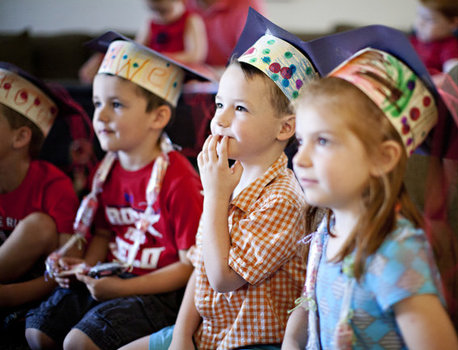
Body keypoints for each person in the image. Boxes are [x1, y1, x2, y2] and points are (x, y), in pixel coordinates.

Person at [121, 10, 318, 350]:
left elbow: (222, 279)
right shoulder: (228, 178)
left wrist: (214, 196)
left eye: (239, 109)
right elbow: (200, 266)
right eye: (219, 103)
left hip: (252, 342)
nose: (220, 119)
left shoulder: (283, 199)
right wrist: (181, 336)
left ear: (285, 127)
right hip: (208, 334)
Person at [25, 33, 205, 349]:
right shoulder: (106, 170)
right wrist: (88, 269)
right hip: (112, 279)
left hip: (158, 293)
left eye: (116, 105)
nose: (101, 116)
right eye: (97, 103)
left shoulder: (180, 181)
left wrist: (119, 290)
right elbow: (105, 235)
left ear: (159, 116)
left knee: (78, 343)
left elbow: (190, 265)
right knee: (38, 331)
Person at [282, 47, 458, 349]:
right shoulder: (327, 228)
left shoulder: (394, 252)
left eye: (323, 140)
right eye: (301, 141)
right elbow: (308, 312)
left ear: (382, 157)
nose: (299, 159)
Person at [0, 63, 80, 334]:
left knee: (39, 225)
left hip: (33, 282)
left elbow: (63, 274)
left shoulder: (54, 186)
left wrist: (9, 295)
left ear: (21, 137)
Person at [79, 0, 208, 84]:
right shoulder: (151, 22)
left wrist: (165, 57)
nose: (160, 17)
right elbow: (137, 48)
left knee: (194, 84)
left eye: (165, 12)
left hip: (180, 69)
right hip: (155, 67)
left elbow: (196, 55)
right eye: (155, 11)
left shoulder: (191, 20)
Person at [184, 0, 267, 68]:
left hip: (234, 76)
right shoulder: (181, 5)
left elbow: (255, 57)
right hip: (191, 77)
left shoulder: (247, 4)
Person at [410, 0, 458, 74]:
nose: (420, 23)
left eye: (428, 19)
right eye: (419, 15)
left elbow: (454, 73)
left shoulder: (450, 47)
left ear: (453, 23)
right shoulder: (414, 40)